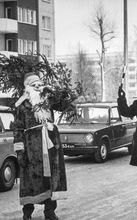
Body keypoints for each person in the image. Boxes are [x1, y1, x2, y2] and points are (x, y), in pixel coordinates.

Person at [13, 72, 68, 220]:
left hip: (50, 147)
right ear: (27, 87)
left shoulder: (47, 100)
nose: (38, 86)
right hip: (32, 149)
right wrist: (20, 152)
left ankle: (49, 211)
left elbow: (64, 104)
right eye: (34, 84)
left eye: (39, 83)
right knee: (30, 181)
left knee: (50, 178)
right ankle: (27, 212)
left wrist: (57, 90)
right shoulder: (22, 105)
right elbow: (17, 130)